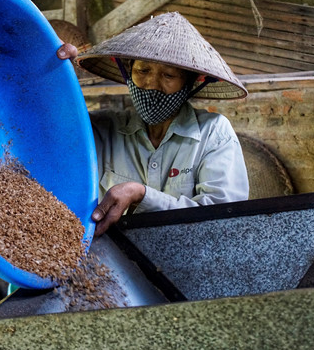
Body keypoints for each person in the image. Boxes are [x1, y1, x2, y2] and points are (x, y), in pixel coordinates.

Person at [57, 12, 249, 237]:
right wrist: (54, 76)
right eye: (143, 71)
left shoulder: (213, 132)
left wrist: (142, 195)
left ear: (190, 83)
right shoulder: (102, 128)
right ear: (127, 71)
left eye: (168, 75)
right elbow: (48, 133)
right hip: (111, 261)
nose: (152, 85)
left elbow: (224, 217)